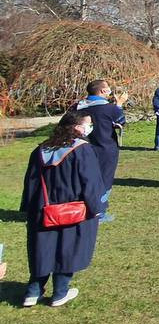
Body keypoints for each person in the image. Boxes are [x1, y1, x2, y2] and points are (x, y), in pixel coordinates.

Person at [21, 110, 105, 308]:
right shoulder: (82, 150)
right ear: (77, 127)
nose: (90, 127)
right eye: (88, 123)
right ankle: (60, 292)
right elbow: (91, 182)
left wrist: (29, 207)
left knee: (42, 249)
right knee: (69, 248)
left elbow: (30, 182)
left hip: (43, 207)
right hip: (73, 208)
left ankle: (33, 292)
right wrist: (96, 208)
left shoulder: (41, 149)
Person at [74, 79, 125, 221]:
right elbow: (120, 121)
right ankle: (99, 212)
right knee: (104, 179)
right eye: (108, 88)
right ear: (102, 91)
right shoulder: (109, 108)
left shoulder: (77, 107)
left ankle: (82, 208)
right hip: (105, 148)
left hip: (81, 148)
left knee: (84, 179)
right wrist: (119, 105)